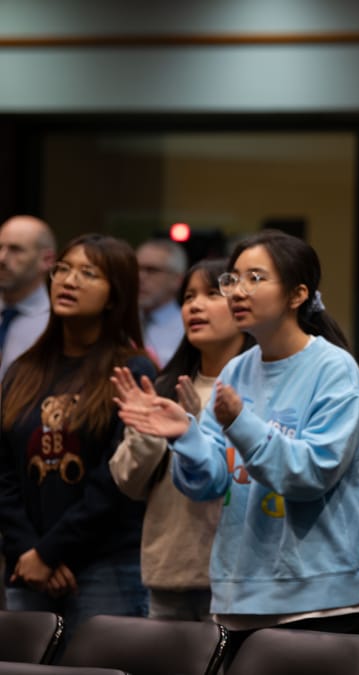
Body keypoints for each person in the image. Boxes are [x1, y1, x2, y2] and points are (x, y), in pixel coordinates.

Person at [114, 230, 359, 663]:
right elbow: (210, 484)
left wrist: (241, 423)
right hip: (241, 591)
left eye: (255, 278)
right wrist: (186, 436)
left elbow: (310, 474)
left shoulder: (334, 369)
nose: (238, 291)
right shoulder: (237, 371)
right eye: (233, 279)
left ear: (298, 294)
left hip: (323, 595)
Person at [0, 234, 153, 637]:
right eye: (63, 269)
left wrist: (52, 553)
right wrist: (27, 552)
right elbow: (4, 472)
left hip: (105, 565)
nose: (69, 281)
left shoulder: (131, 370)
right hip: (25, 564)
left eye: (88, 273)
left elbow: (116, 480)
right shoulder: (23, 370)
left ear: (115, 295)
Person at [109, 259, 253, 621]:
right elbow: (128, 482)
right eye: (188, 296)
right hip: (169, 567)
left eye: (211, 294)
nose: (195, 306)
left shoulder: (258, 387)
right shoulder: (164, 388)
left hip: (241, 573)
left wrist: (196, 430)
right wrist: (151, 434)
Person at [0, 215, 56, 382]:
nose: (2, 258)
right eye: (0, 247)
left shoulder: (56, 322)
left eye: (16, 250)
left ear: (47, 260)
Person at [137, 239, 188, 366]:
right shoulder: (120, 322)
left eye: (152, 270)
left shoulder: (188, 328)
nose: (140, 277)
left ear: (177, 280)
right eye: (136, 268)